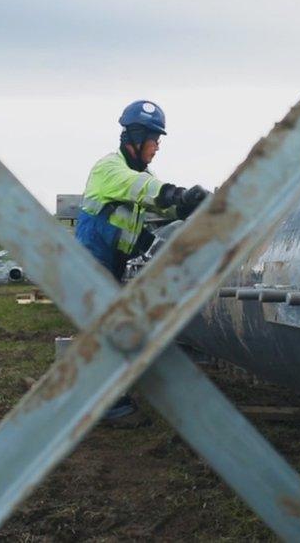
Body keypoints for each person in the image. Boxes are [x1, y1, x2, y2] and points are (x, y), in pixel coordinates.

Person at [75, 100, 208, 426]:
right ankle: (110, 409)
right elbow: (145, 190)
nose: (158, 146)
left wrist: (185, 208)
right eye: (154, 138)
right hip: (91, 260)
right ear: (135, 137)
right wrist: (177, 195)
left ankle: (94, 397)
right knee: (109, 331)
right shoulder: (109, 169)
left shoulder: (144, 175)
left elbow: (159, 204)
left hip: (111, 262)